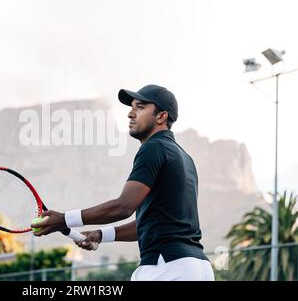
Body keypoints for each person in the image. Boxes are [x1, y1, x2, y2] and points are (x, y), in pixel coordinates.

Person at [32, 84, 215, 281]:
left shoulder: (153, 148)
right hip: (198, 268)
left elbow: (123, 207)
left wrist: (64, 219)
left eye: (141, 107)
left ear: (161, 117)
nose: (131, 114)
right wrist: (100, 235)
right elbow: (151, 223)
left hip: (167, 267)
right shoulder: (185, 158)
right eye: (132, 107)